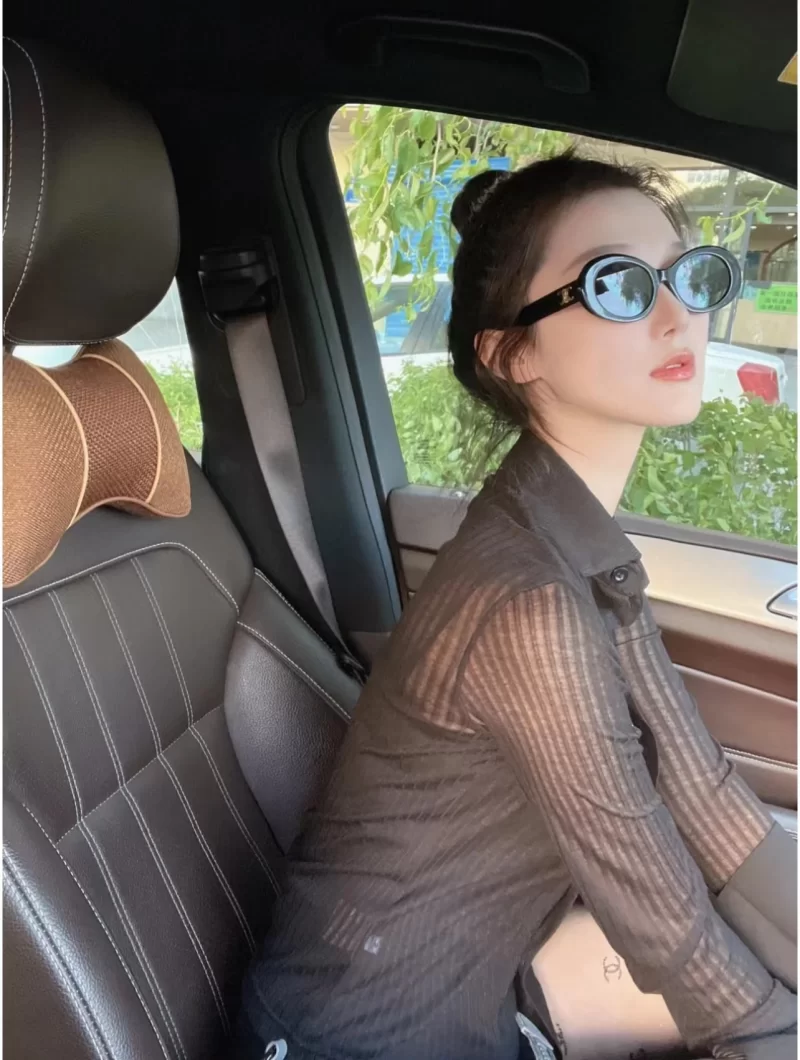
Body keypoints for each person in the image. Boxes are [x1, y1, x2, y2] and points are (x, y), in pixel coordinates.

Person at [232, 152, 797, 1060]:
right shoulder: (528, 601)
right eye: (618, 285)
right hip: (353, 1038)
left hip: (471, 1002)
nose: (677, 314)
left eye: (688, 275)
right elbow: (663, 918)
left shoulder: (561, 536)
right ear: (512, 352)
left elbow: (702, 791)